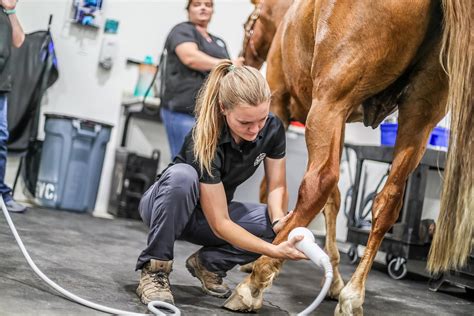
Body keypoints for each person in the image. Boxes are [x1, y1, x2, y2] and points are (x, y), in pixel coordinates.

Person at [135, 60, 307, 306]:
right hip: (167, 208)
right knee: (183, 176)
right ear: (223, 108)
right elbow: (220, 224)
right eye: (245, 123)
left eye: (260, 120)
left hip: (209, 215)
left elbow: (277, 185)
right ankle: (155, 270)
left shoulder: (271, 128)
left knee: (278, 224)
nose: (255, 130)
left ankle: (209, 264)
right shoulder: (205, 137)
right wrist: (273, 251)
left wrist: (280, 221)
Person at [159, 0, 244, 159]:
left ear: (212, 11)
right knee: (185, 165)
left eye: (208, 4)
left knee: (204, 168)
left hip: (208, 116)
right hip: (183, 112)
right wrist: (228, 64)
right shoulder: (182, 31)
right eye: (197, 4)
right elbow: (190, 58)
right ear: (188, 9)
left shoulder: (219, 42)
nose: (203, 7)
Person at [0, 0, 26, 213]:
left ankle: (1, 193)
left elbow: (19, 40)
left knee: (0, 137)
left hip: (1, 87)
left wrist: (11, 10)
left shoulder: (6, 14)